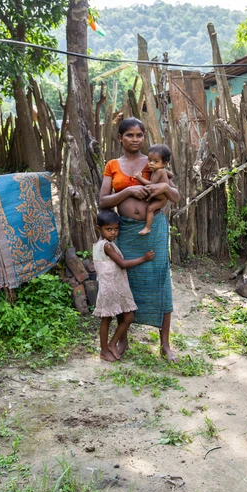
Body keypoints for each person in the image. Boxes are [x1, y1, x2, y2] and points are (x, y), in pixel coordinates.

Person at [99, 117, 180, 362]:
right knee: (127, 283)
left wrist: (163, 189)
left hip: (153, 229)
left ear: (144, 137)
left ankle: (165, 344)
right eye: (129, 135)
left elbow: (175, 195)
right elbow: (103, 201)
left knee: (160, 280)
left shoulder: (154, 161)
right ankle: (123, 340)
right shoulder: (112, 165)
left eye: (139, 135)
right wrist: (128, 191)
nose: (135, 140)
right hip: (125, 232)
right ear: (120, 138)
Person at [93, 208, 155, 362]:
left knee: (127, 316)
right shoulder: (106, 246)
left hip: (115, 287)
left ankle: (112, 344)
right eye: (109, 229)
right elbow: (122, 264)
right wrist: (144, 258)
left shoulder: (103, 244)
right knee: (107, 319)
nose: (113, 233)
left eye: (115, 229)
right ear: (98, 229)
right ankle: (104, 350)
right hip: (110, 288)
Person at [134, 144, 172, 236]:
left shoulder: (159, 171)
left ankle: (147, 228)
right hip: (159, 197)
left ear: (165, 163)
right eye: (150, 160)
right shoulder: (160, 169)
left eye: (156, 161)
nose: (151, 163)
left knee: (150, 209)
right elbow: (171, 175)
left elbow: (152, 185)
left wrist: (139, 178)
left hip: (161, 199)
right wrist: (168, 175)